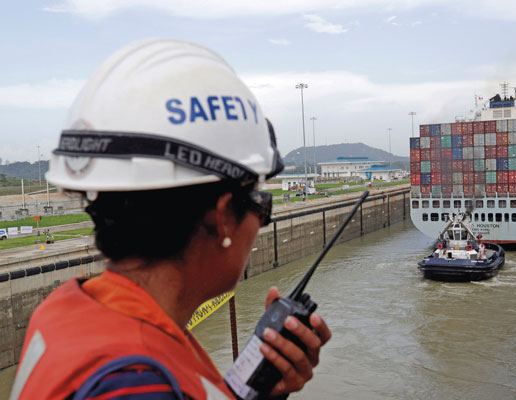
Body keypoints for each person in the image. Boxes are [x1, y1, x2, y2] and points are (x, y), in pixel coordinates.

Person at [10, 38, 331, 400]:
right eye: (260, 201)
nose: (260, 223)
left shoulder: (67, 310)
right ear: (223, 217)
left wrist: (260, 393)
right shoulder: (136, 382)